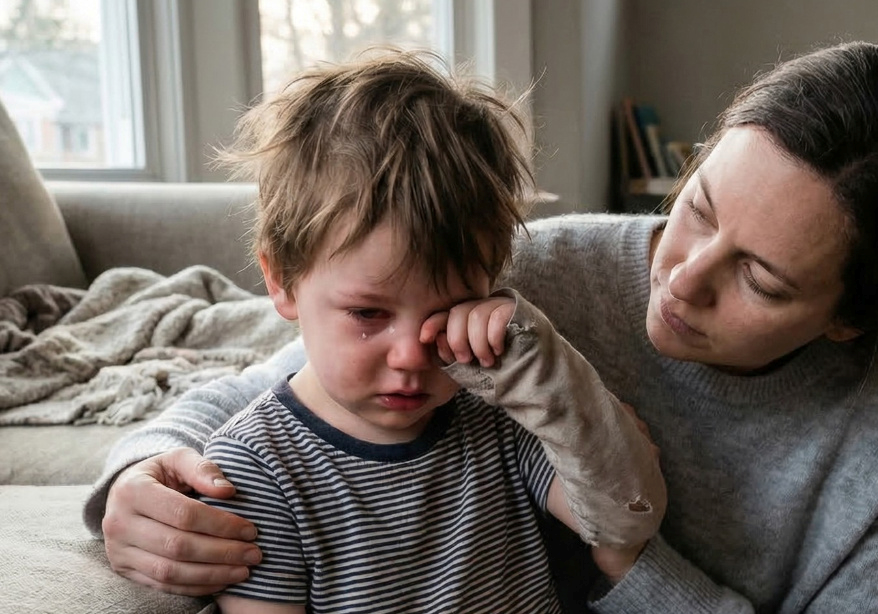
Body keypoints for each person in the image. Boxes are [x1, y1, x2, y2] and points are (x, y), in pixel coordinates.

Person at [86, 39, 878, 613]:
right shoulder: (536, 274)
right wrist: (137, 475)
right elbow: (278, 393)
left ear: (851, 322)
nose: (681, 277)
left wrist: (628, 566)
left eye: (759, 277)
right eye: (699, 207)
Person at [145, 48, 665, 613]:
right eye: (368, 314)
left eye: (450, 310)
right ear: (283, 282)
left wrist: (543, 364)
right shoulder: (257, 467)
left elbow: (625, 521)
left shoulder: (503, 411)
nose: (412, 356)